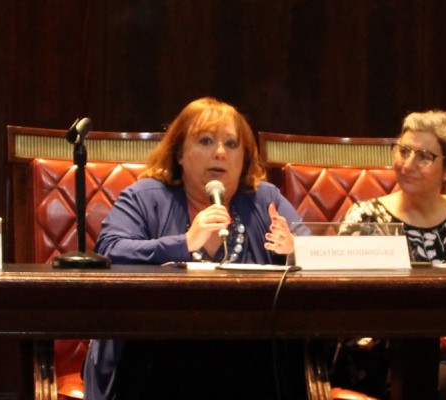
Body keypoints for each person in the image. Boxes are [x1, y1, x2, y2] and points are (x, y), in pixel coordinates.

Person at [83, 97, 306, 400]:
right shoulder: (145, 196)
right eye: (205, 141)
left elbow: (314, 251)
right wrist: (184, 243)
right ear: (178, 153)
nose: (219, 153)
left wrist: (296, 248)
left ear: (244, 158)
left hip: (251, 360)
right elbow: (109, 250)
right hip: (153, 359)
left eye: (231, 144)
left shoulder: (264, 199)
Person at [332, 110, 446, 400]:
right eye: (404, 151)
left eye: (424, 156)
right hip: (385, 360)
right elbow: (343, 311)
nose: (408, 164)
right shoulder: (366, 218)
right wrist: (424, 336)